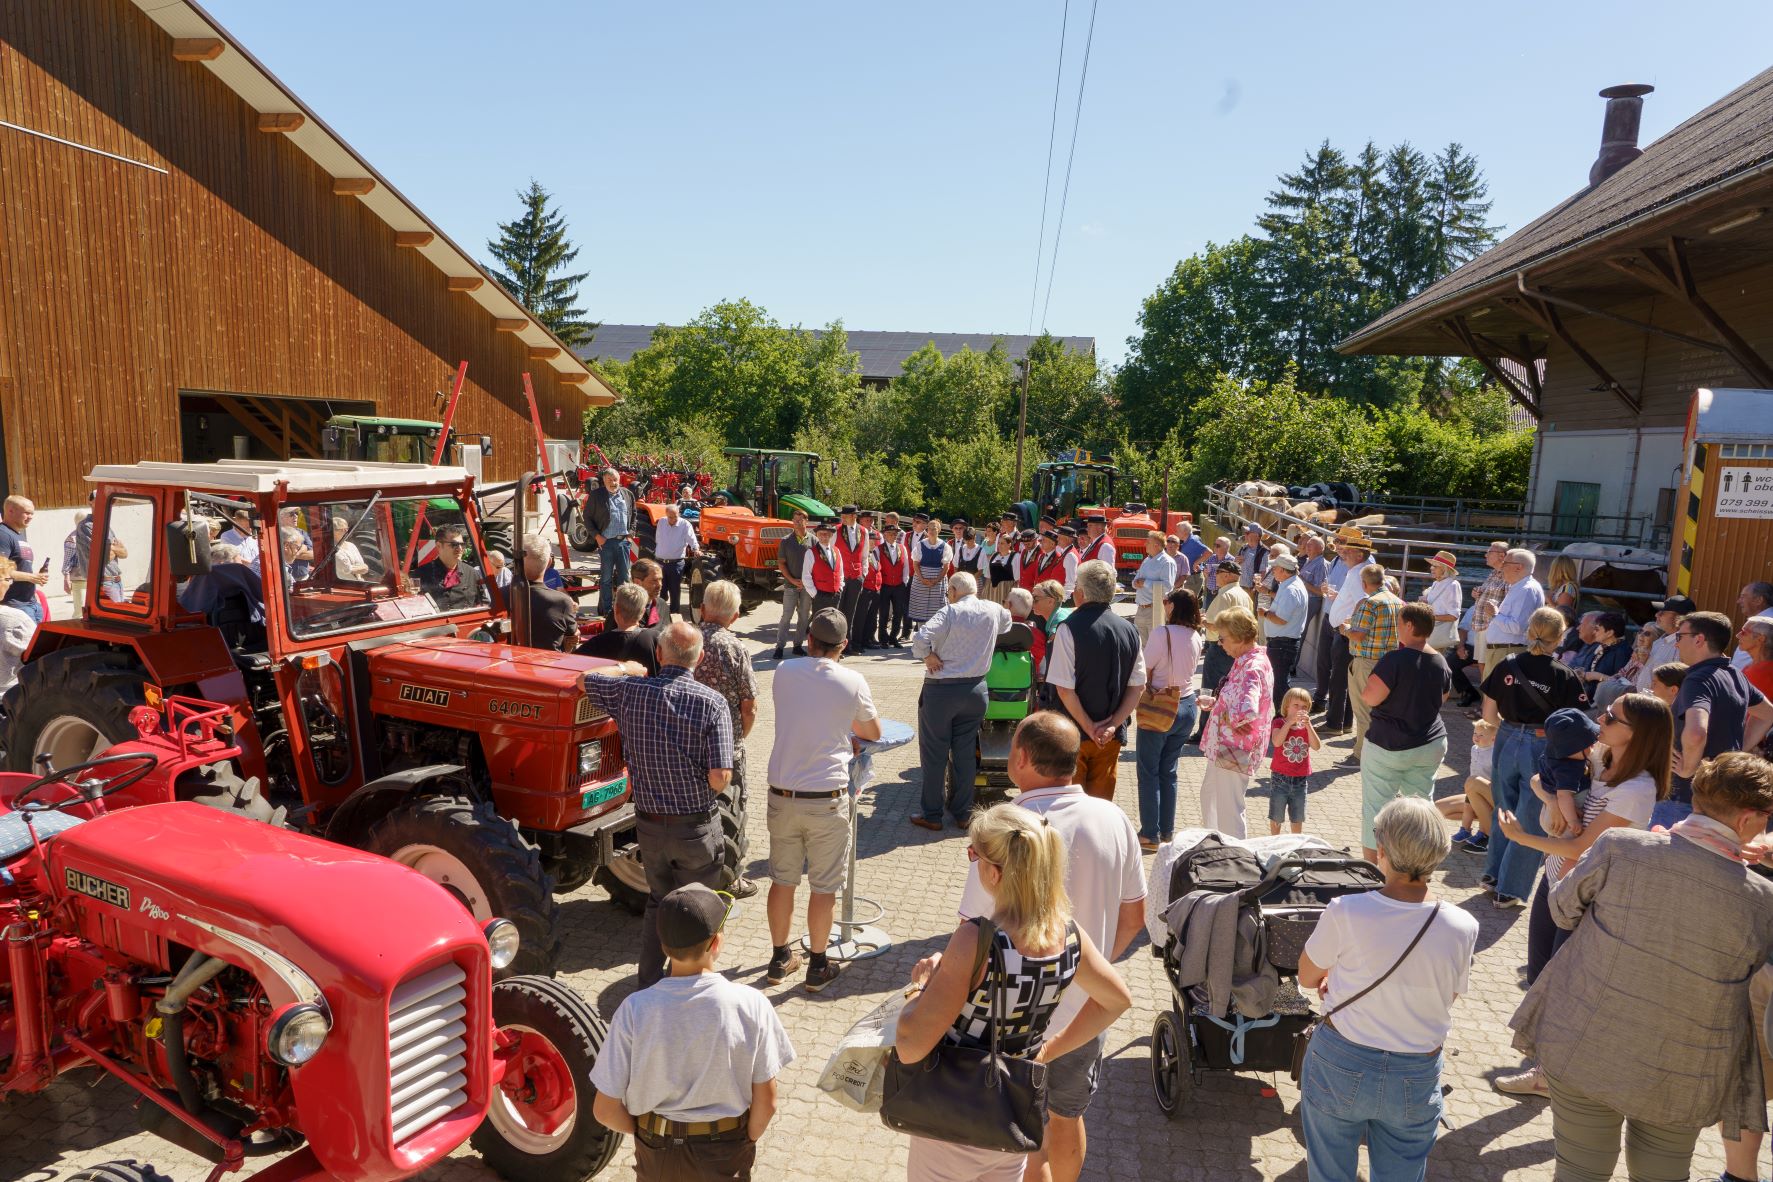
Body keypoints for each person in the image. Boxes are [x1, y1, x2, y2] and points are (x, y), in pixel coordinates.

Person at [1507, 753, 1773, 1182]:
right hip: (1685, 1070)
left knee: (1579, 1171)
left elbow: (1561, 910)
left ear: (1699, 798)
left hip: (1586, 1041)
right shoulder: (1762, 899)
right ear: (1746, 819)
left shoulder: (1622, 846)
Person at [895, 805, 1132, 1182]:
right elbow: (1117, 1000)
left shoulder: (976, 939)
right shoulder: (1069, 936)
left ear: (995, 872)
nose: (973, 862)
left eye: (974, 854)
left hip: (951, 1117)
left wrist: (919, 986)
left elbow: (910, 1046)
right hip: (1011, 1118)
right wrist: (1048, 1051)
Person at [954, 713, 1145, 1182]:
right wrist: (1085, 968)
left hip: (1014, 1015)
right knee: (1067, 1116)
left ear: (1021, 757)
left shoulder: (1008, 827)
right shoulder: (1114, 817)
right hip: (1088, 1011)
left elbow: (972, 930)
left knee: (1023, 1128)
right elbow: (1134, 916)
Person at [1490, 691, 1672, 1102]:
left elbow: (1581, 846)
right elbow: (1540, 778)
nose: (1599, 720)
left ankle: (1549, 1075)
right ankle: (1546, 1062)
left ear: (1638, 734)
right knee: (1540, 977)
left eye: (1611, 717)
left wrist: (1521, 837)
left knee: (1562, 986)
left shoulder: (1637, 789)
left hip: (1587, 897)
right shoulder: (1599, 757)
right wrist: (1556, 800)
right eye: (1605, 713)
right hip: (1556, 881)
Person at [1297, 797, 1479, 1182]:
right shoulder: (1463, 925)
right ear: (1440, 853)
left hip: (1341, 1059)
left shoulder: (1346, 910)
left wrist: (1335, 981)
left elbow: (1307, 977)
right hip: (1415, 1072)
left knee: (1329, 1172)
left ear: (1382, 850)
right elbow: (1446, 996)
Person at [592, 883, 794, 1182]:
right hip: (725, 1148)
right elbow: (768, 1101)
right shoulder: (751, 1004)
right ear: (716, 942)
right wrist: (745, 1140)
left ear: (663, 946)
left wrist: (646, 1133)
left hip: (656, 1148)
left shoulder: (634, 1009)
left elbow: (604, 1110)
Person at [582, 622, 735, 988]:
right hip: (695, 827)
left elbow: (582, 679)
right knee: (699, 908)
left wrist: (625, 668)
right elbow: (720, 777)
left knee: (659, 903)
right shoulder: (712, 703)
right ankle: (692, 986)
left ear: (660, 654)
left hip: (649, 826)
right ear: (699, 657)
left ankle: (649, 983)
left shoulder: (629, 691)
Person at [764, 608, 880, 992]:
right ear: (843, 645)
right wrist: (846, 730)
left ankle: (779, 959)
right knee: (824, 887)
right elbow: (872, 731)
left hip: (782, 794)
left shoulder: (784, 671)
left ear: (809, 639)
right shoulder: (853, 680)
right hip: (827, 797)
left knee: (782, 880)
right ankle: (817, 965)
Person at [1481, 607, 1586, 911]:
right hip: (1542, 741)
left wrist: (1509, 730)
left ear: (1529, 632)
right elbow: (1575, 722)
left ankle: (1492, 874)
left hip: (1506, 735)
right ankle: (1509, 889)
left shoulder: (1508, 663)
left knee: (1503, 806)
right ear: (1560, 636)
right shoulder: (1563, 674)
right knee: (1530, 815)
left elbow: (1489, 713)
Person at [911, 572, 1011, 830]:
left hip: (942, 691)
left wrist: (927, 656)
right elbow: (1008, 624)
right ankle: (964, 813)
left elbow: (919, 639)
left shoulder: (949, 612)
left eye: (948, 592)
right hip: (976, 689)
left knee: (935, 753)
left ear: (954, 591)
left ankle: (932, 814)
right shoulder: (994, 609)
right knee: (965, 753)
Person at [1358, 602, 1452, 861]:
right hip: (1429, 743)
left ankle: (1373, 870)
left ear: (1410, 626)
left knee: (1376, 808)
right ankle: (1419, 865)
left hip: (1388, 744)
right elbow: (1442, 698)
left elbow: (1370, 697)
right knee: (1421, 809)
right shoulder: (1441, 662)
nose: (1397, 629)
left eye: (1399, 624)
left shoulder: (1394, 660)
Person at [1048, 560, 1145, 801]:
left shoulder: (1068, 628)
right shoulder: (1130, 630)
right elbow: (1138, 686)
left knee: (1070, 805)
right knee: (1101, 805)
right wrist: (1112, 725)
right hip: (1109, 735)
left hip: (1073, 733)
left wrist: (1090, 727)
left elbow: (1064, 689)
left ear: (1080, 593)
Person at [1667, 612, 1773, 831]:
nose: (1676, 644)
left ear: (1699, 639)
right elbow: (1768, 714)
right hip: (1718, 797)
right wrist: (1738, 751)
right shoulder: (1735, 674)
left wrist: (1688, 768)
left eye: (1680, 636)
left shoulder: (1698, 679)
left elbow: (1696, 733)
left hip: (1685, 797)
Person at [694, 580, 760, 898]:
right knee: (731, 810)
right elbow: (750, 706)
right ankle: (729, 878)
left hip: (687, 744)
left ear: (702, 609)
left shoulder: (684, 640)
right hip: (725, 748)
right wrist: (739, 735)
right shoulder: (735, 648)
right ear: (734, 616)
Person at [1134, 589, 1203, 848]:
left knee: (1148, 771)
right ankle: (1166, 831)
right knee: (1169, 771)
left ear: (1173, 606)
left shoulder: (1162, 633)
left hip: (1161, 706)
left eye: (1166, 601)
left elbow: (1144, 668)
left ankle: (1150, 832)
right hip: (1187, 705)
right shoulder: (1196, 635)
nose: (1163, 605)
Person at [1196, 607, 1273, 838]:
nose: (1220, 643)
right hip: (1229, 746)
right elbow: (1238, 699)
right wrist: (1217, 703)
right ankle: (1215, 845)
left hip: (1235, 747)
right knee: (1210, 797)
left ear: (1239, 637)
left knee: (1228, 810)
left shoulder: (1251, 667)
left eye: (1223, 638)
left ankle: (1235, 853)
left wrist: (1223, 712)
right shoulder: (1246, 660)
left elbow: (1248, 710)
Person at [1342, 563, 1402, 760]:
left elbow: (1358, 635)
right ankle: (1379, 753)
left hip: (1367, 663)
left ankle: (1361, 755)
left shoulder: (1370, 603)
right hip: (1390, 663)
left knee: (1363, 711)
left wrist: (1345, 629)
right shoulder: (1398, 602)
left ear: (1364, 583)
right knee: (1383, 710)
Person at [1322, 526, 1374, 738]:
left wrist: (1352, 625)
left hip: (1346, 634)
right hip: (1345, 632)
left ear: (1359, 554)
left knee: (1340, 680)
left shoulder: (1359, 572)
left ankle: (1336, 723)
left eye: (1347, 548)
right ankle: (1342, 723)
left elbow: (1364, 601)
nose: (1342, 550)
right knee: (1343, 679)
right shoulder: (1356, 571)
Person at [1537, 708, 1601, 840]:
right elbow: (1563, 796)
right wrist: (1573, 821)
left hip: (1549, 811)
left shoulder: (1552, 753)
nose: (1593, 746)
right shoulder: (1567, 768)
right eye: (1589, 743)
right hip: (1564, 818)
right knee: (1569, 846)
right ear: (1572, 748)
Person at [1481, 548, 1546, 678]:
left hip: (1508, 652)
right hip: (1504, 651)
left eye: (1505, 563)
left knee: (1498, 691)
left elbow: (1517, 627)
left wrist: (1495, 614)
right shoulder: (1520, 587)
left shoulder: (1526, 590)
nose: (1501, 567)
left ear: (1518, 567)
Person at [1420, 549, 1472, 706]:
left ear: (1444, 568)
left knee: (1433, 669)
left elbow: (1453, 615)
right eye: (1432, 565)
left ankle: (1431, 701)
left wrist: (1429, 615)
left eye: (1435, 566)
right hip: (1431, 631)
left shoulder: (1453, 585)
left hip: (1438, 634)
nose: (1431, 568)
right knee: (1427, 668)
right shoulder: (1437, 583)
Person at [1200, 561, 1252, 708]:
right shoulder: (1244, 594)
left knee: (1210, 690)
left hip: (1220, 648)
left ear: (1227, 575)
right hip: (1237, 647)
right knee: (1229, 690)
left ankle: (1207, 722)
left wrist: (1203, 622)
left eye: (1217, 572)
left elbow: (1219, 626)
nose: (1215, 575)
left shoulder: (1225, 595)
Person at [1268, 686, 1320, 836]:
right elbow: (1277, 742)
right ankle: (1274, 841)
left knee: (1297, 817)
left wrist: (1309, 725)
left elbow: (1316, 746)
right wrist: (1289, 723)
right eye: (1296, 705)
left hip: (1300, 779)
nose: (1300, 710)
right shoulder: (1279, 722)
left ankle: (1296, 842)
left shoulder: (1306, 727)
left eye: (1304, 707)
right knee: (1276, 816)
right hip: (1280, 777)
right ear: (1286, 707)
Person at [1439, 717, 1495, 853]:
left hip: (1486, 790)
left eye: (1481, 735)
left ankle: (1484, 833)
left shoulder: (1495, 752)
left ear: (1493, 739)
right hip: (1472, 788)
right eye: (1475, 733)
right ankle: (1465, 830)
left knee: (1482, 808)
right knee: (1467, 808)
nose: (1476, 737)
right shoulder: (1474, 749)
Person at [585, 467, 635, 618]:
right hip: (606, 543)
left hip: (623, 543)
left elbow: (634, 515)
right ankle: (607, 611)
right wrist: (597, 536)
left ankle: (622, 610)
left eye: (615, 480)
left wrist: (631, 534)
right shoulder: (596, 495)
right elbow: (587, 518)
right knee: (606, 578)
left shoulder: (627, 494)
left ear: (619, 480)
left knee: (624, 579)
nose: (613, 483)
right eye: (609, 480)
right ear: (604, 481)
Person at [578, 582, 661, 674]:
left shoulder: (596, 643)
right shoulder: (656, 638)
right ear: (643, 612)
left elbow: (572, 664)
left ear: (616, 609)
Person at [63, 491, 126, 607]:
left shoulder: (106, 525)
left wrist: (111, 549)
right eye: (100, 500)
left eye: (110, 501)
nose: (106, 503)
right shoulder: (86, 526)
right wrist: (114, 548)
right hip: (104, 583)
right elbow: (103, 557)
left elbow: (124, 553)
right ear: (90, 502)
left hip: (117, 582)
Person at [1263, 553, 1308, 709]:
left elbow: (1281, 619)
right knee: (1279, 684)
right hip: (1282, 643)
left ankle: (1283, 718)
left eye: (1275, 568)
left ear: (1283, 570)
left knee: (1280, 686)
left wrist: (1264, 613)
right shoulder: (1290, 584)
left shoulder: (1291, 589)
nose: (1272, 571)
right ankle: (1283, 718)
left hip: (1282, 645)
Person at [518, 534, 577, 652]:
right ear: (549, 561)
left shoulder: (500, 597)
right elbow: (572, 634)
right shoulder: (562, 602)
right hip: (548, 661)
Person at [414, 524, 485, 610]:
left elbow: (482, 604)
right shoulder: (422, 574)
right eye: (454, 544)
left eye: (462, 544)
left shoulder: (471, 573)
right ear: (439, 546)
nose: (460, 549)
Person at [1634, 594, 1695, 692]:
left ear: (1678, 618)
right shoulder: (1660, 641)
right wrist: (1645, 661)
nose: (1657, 615)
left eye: (1662, 613)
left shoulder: (1682, 646)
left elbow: (1675, 683)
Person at [773, 508, 813, 660]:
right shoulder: (786, 541)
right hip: (790, 586)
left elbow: (816, 564)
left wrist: (807, 582)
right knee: (786, 616)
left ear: (806, 521)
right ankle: (779, 647)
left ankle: (797, 646)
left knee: (804, 617)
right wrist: (791, 580)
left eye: (800, 520)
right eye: (795, 520)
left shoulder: (813, 541)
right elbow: (781, 563)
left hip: (807, 587)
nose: (797, 523)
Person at [652, 500, 700, 622]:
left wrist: (696, 549)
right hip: (660, 563)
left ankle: (674, 616)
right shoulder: (661, 522)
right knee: (660, 590)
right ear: (666, 515)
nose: (673, 519)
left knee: (675, 591)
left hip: (676, 563)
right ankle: (659, 617)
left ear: (679, 514)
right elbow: (658, 539)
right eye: (670, 517)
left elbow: (692, 539)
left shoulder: (685, 525)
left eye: (675, 516)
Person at [1467, 540, 1511, 670]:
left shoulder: (1508, 575)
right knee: (1483, 664)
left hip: (1492, 626)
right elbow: (1490, 593)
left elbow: (1509, 601)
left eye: (1489, 552)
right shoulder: (1493, 573)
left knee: (1487, 665)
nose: (1486, 555)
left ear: (1502, 556)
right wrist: (1477, 593)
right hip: (1483, 625)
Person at [1297, 533, 1330, 698]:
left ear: (1319, 549)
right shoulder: (1308, 561)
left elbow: (1320, 591)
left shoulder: (1321, 565)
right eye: (1307, 544)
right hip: (1303, 600)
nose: (1306, 547)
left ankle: (1292, 666)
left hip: (1312, 601)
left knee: (1300, 632)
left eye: (1310, 545)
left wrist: (1302, 582)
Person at [908, 515, 952, 635]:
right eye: (929, 528)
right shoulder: (920, 545)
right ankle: (921, 638)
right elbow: (915, 563)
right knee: (921, 609)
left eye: (934, 528)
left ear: (939, 530)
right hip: (921, 581)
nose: (931, 531)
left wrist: (937, 580)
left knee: (936, 610)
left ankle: (935, 638)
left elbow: (946, 566)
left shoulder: (945, 546)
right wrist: (922, 579)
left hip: (938, 582)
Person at [1130, 530, 1176, 644]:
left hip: (1155, 609)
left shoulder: (1167, 562)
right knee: (1141, 646)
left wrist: (1145, 583)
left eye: (1148, 542)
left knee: (1156, 645)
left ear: (1156, 545)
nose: (1145, 544)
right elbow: (1136, 580)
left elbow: (1167, 587)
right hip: (1141, 609)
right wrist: (1135, 583)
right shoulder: (1147, 560)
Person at [0, 557, 37, 692]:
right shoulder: (14, 619)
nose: (10, 584)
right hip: (10, 694)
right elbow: (40, 662)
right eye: (7, 579)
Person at [875, 521, 913, 648]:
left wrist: (904, 581)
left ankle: (893, 638)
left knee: (898, 612)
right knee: (884, 613)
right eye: (890, 533)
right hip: (885, 585)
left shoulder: (902, 548)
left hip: (899, 585)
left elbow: (906, 565)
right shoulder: (879, 549)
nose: (893, 536)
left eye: (895, 534)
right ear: (885, 535)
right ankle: (883, 638)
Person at [833, 505, 869, 636]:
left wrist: (863, 574)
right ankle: (836, 640)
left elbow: (865, 555)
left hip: (856, 577)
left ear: (854, 516)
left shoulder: (864, 531)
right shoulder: (836, 530)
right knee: (837, 610)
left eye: (845, 516)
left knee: (851, 611)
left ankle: (848, 641)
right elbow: (831, 554)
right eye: (841, 515)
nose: (842, 518)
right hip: (840, 577)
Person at [853, 510, 883, 655]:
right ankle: (857, 642)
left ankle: (868, 639)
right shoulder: (862, 554)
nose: (873, 543)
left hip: (875, 589)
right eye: (871, 541)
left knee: (871, 617)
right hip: (865, 589)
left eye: (874, 541)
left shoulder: (876, 553)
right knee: (860, 617)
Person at [802, 518, 845, 616]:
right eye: (820, 534)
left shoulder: (837, 551)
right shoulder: (810, 552)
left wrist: (840, 587)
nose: (823, 536)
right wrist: (815, 594)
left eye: (826, 534)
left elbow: (841, 572)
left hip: (835, 594)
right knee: (820, 622)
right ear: (817, 535)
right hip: (820, 595)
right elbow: (806, 576)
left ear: (831, 535)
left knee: (834, 621)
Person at [1734, 582, 1773, 670]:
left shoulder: (1767, 623)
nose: (1738, 601)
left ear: (1759, 600)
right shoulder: (1760, 620)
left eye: (1743, 597)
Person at [219, 507, 262, 575]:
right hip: (241, 573)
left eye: (251, 527)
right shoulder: (227, 536)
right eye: (247, 527)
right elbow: (233, 557)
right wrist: (255, 566)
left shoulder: (255, 533)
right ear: (237, 523)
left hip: (258, 571)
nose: (250, 530)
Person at [1741, 614, 1773, 703]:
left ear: (1760, 639)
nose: (1738, 635)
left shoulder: (1760, 672)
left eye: (1744, 632)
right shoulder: (1756, 667)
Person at [277, 506, 313, 581]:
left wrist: (290, 554)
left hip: (304, 578)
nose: (296, 516)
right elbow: (277, 554)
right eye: (292, 514)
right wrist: (303, 548)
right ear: (281, 517)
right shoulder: (276, 533)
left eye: (296, 513)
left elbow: (313, 554)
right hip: (284, 580)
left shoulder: (302, 532)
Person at [985, 527, 1018, 607]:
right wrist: (985, 591)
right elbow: (988, 575)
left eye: (1002, 543)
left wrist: (1012, 595)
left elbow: (1017, 579)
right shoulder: (994, 555)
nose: (999, 545)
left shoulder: (1015, 556)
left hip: (1006, 590)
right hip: (992, 590)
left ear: (1009, 544)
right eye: (999, 543)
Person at [330, 516, 370, 581]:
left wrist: (358, 575)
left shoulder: (351, 545)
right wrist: (357, 569)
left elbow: (363, 566)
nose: (346, 532)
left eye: (347, 529)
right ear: (333, 531)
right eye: (343, 530)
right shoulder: (331, 548)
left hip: (358, 582)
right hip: (342, 584)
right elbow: (345, 569)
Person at [1235, 522, 1267, 591]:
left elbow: (1263, 572)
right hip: (1239, 586)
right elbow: (1236, 565)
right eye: (1245, 532)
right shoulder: (1244, 548)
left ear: (1257, 535)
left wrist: (1255, 589)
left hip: (1251, 589)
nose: (1245, 534)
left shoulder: (1263, 551)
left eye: (1247, 533)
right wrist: (1236, 562)